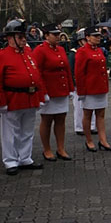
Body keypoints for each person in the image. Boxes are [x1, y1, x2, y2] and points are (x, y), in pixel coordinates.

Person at [0, 19, 47, 176]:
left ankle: (25, 157)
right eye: (20, 36)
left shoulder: (28, 53)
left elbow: (36, 75)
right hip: (12, 98)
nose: (24, 39)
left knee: (27, 130)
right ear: (10, 38)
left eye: (24, 36)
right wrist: (1, 101)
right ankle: (10, 160)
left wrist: (41, 95)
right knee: (11, 132)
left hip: (29, 97)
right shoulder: (1, 55)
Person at [33, 24, 74, 161]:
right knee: (47, 120)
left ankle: (61, 148)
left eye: (58, 34)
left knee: (61, 119)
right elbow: (37, 72)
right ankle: (47, 149)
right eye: (54, 35)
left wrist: (70, 88)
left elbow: (66, 69)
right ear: (46, 36)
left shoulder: (61, 49)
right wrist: (43, 92)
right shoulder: (40, 50)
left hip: (61, 89)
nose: (58, 37)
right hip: (49, 91)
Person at [75, 27, 111, 151]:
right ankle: (89, 140)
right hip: (90, 89)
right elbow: (79, 73)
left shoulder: (99, 50)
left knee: (101, 115)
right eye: (95, 35)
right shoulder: (82, 51)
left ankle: (103, 140)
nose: (98, 37)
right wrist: (81, 91)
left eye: (99, 35)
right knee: (87, 115)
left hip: (100, 87)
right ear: (87, 37)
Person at [69, 29, 97, 135]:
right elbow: (72, 69)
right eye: (84, 40)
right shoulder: (74, 53)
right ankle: (79, 127)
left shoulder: (90, 51)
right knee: (79, 106)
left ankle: (92, 125)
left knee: (91, 105)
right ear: (80, 41)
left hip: (89, 83)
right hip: (79, 84)